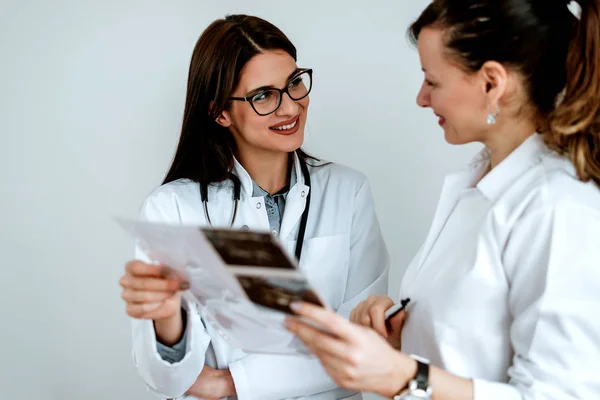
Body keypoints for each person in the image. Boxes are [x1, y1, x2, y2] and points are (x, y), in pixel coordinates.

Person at [285, 0, 600, 399]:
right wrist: (405, 334)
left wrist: (404, 374)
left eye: (432, 82)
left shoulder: (558, 207)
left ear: (492, 83)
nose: (421, 98)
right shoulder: (478, 181)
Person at [118, 14, 389, 400]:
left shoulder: (348, 192)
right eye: (263, 95)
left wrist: (230, 383)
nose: (291, 107)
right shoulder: (173, 209)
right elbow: (166, 378)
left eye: (294, 83)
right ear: (220, 112)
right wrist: (166, 318)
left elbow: (361, 346)